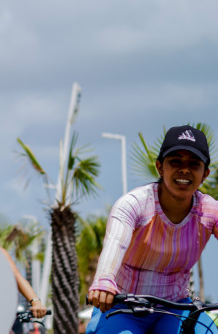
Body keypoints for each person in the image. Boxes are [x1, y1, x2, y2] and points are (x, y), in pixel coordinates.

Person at [86, 124, 218, 334]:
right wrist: (103, 282)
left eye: (194, 164)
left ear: (205, 174)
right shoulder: (133, 204)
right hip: (124, 307)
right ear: (160, 167)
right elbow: (114, 245)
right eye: (175, 162)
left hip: (176, 308)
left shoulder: (210, 210)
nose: (184, 169)